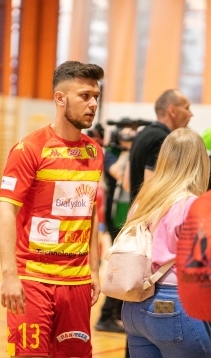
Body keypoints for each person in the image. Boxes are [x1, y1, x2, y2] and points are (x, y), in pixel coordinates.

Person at [0, 61, 104, 358]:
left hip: (78, 283)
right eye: (85, 96)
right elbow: (5, 211)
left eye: (96, 96)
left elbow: (90, 212)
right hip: (34, 281)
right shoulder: (29, 149)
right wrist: (9, 276)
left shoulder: (95, 152)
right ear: (60, 98)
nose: (93, 103)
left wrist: (94, 270)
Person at [121, 127, 211, 358]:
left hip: (134, 306)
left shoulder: (143, 200)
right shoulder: (193, 205)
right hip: (173, 304)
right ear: (199, 163)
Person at [95, 121, 138, 333]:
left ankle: (114, 314)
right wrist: (127, 151)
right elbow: (120, 175)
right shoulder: (110, 153)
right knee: (120, 267)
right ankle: (105, 316)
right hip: (114, 215)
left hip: (126, 214)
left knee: (126, 265)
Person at [126, 89, 192, 201]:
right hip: (152, 216)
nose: (191, 114)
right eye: (186, 108)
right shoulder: (163, 139)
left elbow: (127, 183)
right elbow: (151, 188)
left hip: (136, 214)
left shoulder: (142, 133)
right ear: (172, 111)